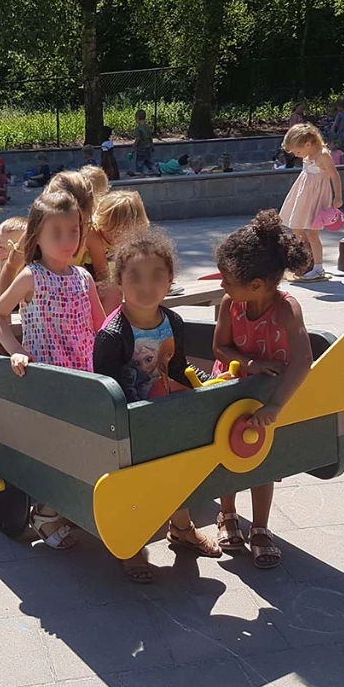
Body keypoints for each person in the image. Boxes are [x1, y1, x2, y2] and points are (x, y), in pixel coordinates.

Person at [93, 229, 222, 582]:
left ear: (170, 280)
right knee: (136, 484)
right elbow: (106, 389)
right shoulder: (113, 335)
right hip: (129, 421)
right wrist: (137, 418)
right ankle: (131, 546)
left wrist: (205, 384)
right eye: (134, 276)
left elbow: (176, 367)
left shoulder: (172, 322)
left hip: (165, 412)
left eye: (156, 276)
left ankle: (182, 528)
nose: (146, 285)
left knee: (178, 471)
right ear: (118, 280)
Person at [0, 191, 105, 550]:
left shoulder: (83, 277)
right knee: (53, 448)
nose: (69, 241)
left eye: (74, 231)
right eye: (57, 232)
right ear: (37, 235)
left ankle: (69, 507)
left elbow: (102, 326)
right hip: (47, 378)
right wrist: (16, 351)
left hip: (83, 374)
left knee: (82, 445)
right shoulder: (31, 276)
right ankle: (45, 513)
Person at [211, 210, 313, 568]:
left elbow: (303, 360)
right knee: (226, 456)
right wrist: (251, 364)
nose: (222, 285)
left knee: (261, 462)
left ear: (256, 284)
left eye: (227, 279)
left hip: (265, 398)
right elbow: (220, 348)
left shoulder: (287, 310)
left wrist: (277, 406)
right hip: (231, 391)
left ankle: (261, 528)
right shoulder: (230, 304)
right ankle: (226, 515)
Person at [279, 123, 342, 282]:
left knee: (313, 233)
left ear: (308, 144)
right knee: (296, 227)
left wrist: (338, 196)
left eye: (297, 151)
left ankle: (318, 268)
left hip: (317, 197)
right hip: (304, 195)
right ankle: (309, 261)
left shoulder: (322, 155)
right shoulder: (308, 155)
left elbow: (334, 175)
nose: (297, 155)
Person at [85, 190, 151, 314]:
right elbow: (102, 273)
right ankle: (107, 328)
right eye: (113, 232)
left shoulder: (129, 239)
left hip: (105, 280)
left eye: (127, 233)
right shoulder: (94, 236)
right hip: (89, 280)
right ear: (103, 223)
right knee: (114, 292)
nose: (118, 239)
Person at [0, 217, 27, 305]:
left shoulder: (33, 272)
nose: (6, 254)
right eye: (1, 247)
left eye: (13, 248)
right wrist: (1, 271)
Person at [132, 109, 156, 175]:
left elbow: (138, 139)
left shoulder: (138, 129)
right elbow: (150, 137)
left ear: (137, 118)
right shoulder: (148, 127)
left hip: (141, 149)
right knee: (150, 162)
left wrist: (134, 147)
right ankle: (156, 171)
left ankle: (140, 174)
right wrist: (152, 146)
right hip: (148, 147)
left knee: (139, 162)